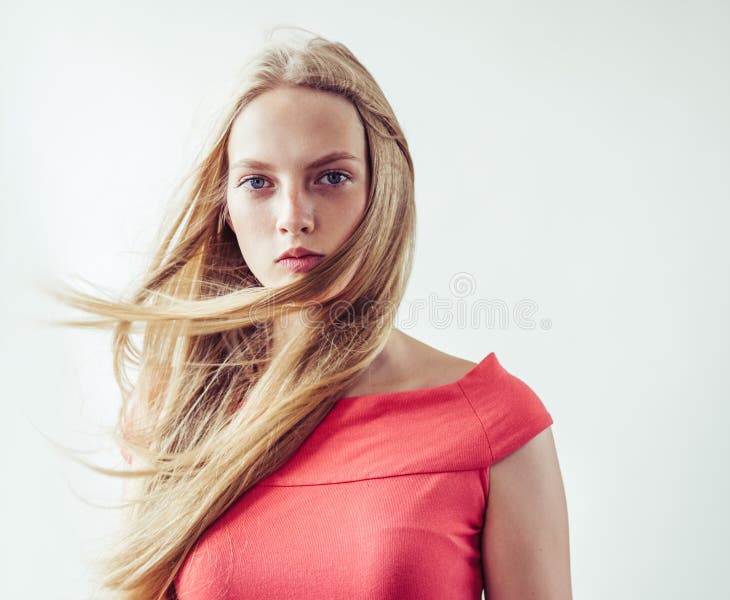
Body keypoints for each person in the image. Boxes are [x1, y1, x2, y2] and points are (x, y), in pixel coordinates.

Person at [48, 26, 572, 600]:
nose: (293, 216)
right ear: (224, 207)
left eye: (331, 177)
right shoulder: (170, 414)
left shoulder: (494, 423)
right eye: (257, 182)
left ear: (383, 191)